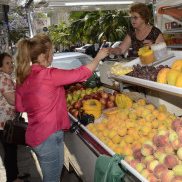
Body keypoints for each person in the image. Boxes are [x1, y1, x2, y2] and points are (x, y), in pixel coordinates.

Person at [14, 34, 110, 182]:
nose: (52, 57)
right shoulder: (49, 74)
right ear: (41, 56)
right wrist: (98, 57)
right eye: (51, 54)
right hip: (49, 137)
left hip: (35, 137)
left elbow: (20, 106)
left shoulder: (22, 78)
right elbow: (81, 73)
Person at [0, 53, 29, 182]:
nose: (11, 65)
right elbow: (12, 100)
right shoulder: (3, 78)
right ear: (0, 66)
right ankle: (12, 179)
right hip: (4, 122)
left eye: (11, 62)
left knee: (11, 148)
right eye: (7, 63)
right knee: (9, 150)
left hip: (5, 121)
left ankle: (15, 173)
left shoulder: (5, 77)